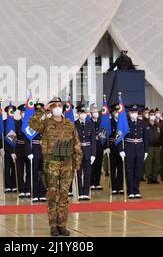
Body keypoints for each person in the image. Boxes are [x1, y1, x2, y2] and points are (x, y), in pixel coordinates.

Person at [29, 97, 82, 237]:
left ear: (63, 108)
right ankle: (53, 226)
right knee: (52, 195)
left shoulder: (70, 125)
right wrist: (43, 109)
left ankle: (62, 225)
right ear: (51, 109)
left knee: (64, 195)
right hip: (51, 164)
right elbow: (31, 123)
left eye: (59, 105)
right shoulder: (46, 123)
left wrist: (76, 164)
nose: (57, 107)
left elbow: (77, 145)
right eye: (54, 106)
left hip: (67, 164)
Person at [124, 105, 148, 199]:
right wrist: (121, 150)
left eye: (136, 112)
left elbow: (145, 137)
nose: (134, 114)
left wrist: (146, 150)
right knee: (129, 170)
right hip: (129, 148)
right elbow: (120, 136)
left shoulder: (142, 123)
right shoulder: (125, 123)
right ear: (129, 113)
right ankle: (130, 191)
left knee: (138, 171)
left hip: (139, 148)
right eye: (132, 112)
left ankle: (136, 190)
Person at [25, 103, 47, 202]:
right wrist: (29, 151)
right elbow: (27, 138)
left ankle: (42, 193)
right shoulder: (31, 123)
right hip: (34, 149)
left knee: (44, 173)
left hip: (44, 150)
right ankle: (34, 193)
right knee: (33, 172)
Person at [74, 105, 96, 200]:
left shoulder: (90, 125)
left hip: (87, 151)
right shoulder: (74, 125)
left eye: (84, 113)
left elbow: (93, 141)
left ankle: (86, 193)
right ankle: (80, 193)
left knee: (87, 173)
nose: (83, 115)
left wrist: (93, 154)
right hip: (78, 152)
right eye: (81, 113)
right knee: (78, 174)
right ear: (78, 114)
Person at [109, 104, 125, 194]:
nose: (117, 113)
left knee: (120, 168)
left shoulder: (122, 122)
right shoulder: (109, 122)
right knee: (112, 168)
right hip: (112, 147)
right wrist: (106, 147)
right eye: (115, 112)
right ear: (112, 113)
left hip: (121, 147)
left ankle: (120, 187)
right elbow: (104, 135)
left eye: (118, 112)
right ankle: (114, 187)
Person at [90, 104, 104, 190]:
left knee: (98, 165)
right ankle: (91, 183)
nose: (96, 113)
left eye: (97, 111)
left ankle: (97, 183)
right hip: (91, 147)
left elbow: (103, 133)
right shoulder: (89, 122)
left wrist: (105, 146)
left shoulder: (101, 121)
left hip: (99, 146)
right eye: (94, 111)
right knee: (92, 166)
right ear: (91, 113)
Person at [145, 109, 161, 184]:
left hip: (157, 146)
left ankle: (155, 177)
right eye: (151, 114)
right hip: (149, 147)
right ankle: (149, 178)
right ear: (149, 116)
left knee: (156, 163)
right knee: (149, 163)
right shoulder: (145, 125)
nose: (152, 116)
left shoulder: (158, 125)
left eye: (153, 114)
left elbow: (161, 136)